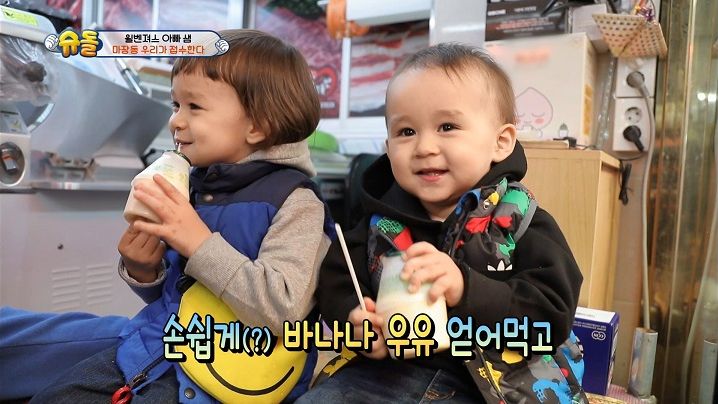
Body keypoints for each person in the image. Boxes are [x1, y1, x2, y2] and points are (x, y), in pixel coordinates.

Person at [30, 29, 333, 403]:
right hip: (155, 348)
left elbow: (283, 310)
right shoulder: (193, 186)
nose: (176, 121)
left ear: (257, 125)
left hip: (230, 377)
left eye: (195, 107)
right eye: (176, 105)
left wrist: (198, 242)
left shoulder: (297, 202)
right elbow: (179, 296)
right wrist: (145, 271)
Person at [300, 43, 584, 403]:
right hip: (385, 374)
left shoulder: (523, 220)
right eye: (406, 132)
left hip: (499, 382)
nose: (424, 147)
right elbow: (337, 284)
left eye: (447, 126)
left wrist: (466, 290)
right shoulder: (375, 225)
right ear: (388, 146)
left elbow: (552, 315)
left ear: (500, 142)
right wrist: (353, 320)